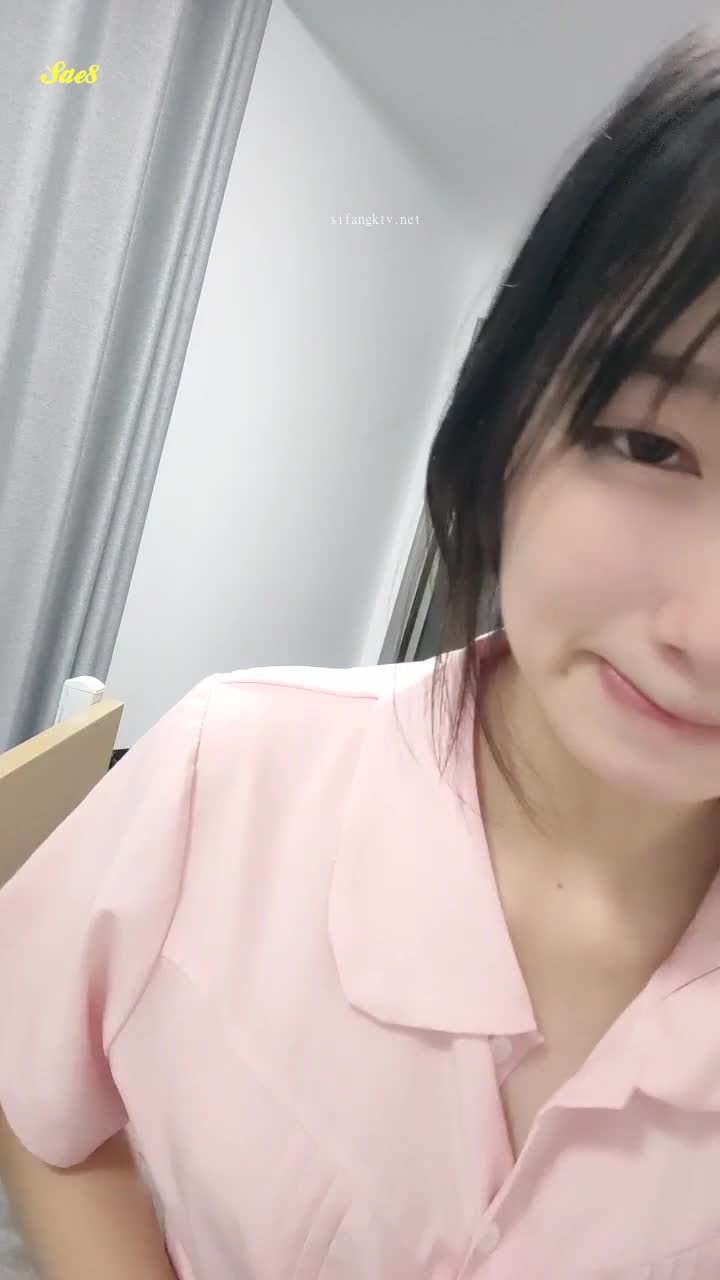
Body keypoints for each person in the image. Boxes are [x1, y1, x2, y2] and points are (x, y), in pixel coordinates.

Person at [3, 25, 720, 1280]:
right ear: (513, 405)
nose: (705, 633)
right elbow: (34, 1078)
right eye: (650, 445)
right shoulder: (237, 771)